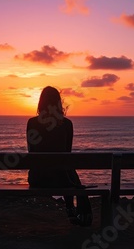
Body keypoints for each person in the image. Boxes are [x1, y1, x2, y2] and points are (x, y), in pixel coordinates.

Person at [26, 86, 92, 226]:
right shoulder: (67, 124)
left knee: (64, 167)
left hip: (38, 179)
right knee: (66, 168)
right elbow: (67, 155)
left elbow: (31, 152)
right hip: (62, 180)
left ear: (40, 102)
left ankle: (71, 208)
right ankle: (70, 208)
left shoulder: (32, 123)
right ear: (58, 103)